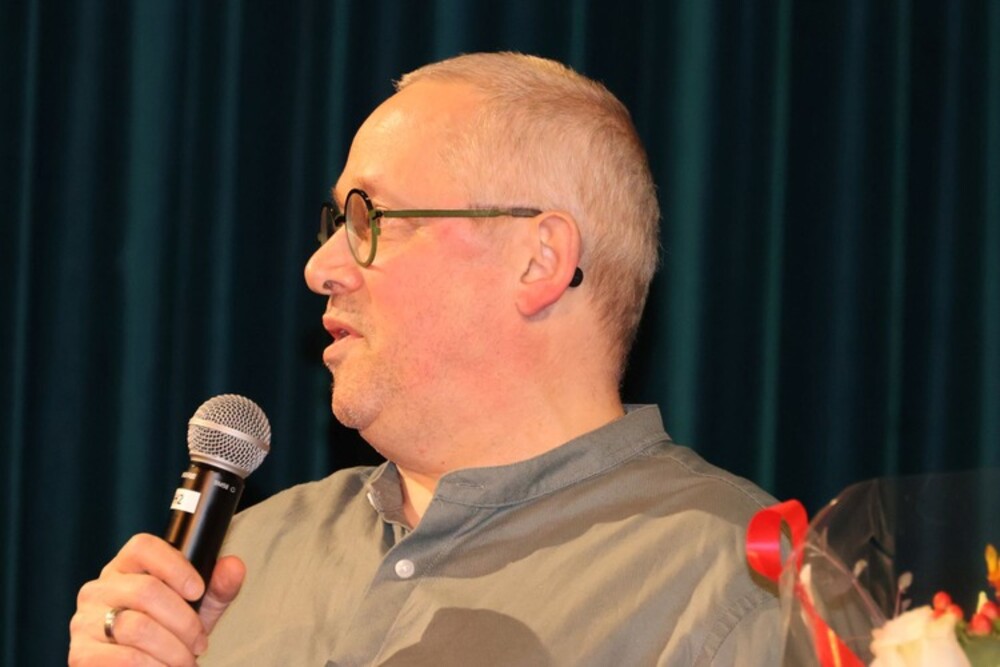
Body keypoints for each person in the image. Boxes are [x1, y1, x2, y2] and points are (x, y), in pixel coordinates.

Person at [69, 52, 782, 666]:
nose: (320, 268)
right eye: (336, 223)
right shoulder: (245, 557)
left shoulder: (741, 580)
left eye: (369, 218)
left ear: (538, 260)